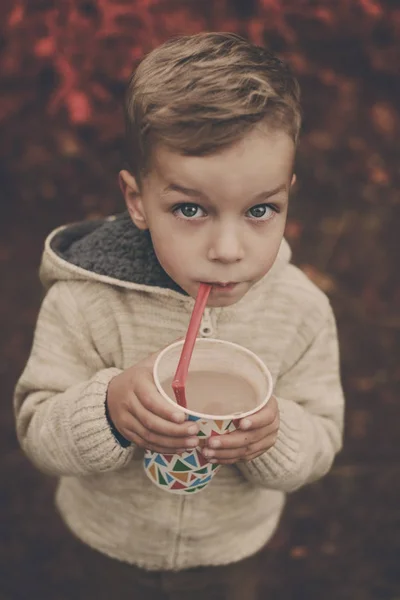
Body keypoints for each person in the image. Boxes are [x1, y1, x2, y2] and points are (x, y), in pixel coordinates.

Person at [14, 32, 345, 599]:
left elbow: (322, 437)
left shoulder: (300, 310)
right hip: (108, 545)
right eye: (190, 208)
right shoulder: (86, 301)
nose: (227, 249)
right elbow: (37, 430)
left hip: (230, 550)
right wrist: (108, 408)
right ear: (138, 200)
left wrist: (276, 433)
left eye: (261, 210)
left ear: (289, 195)